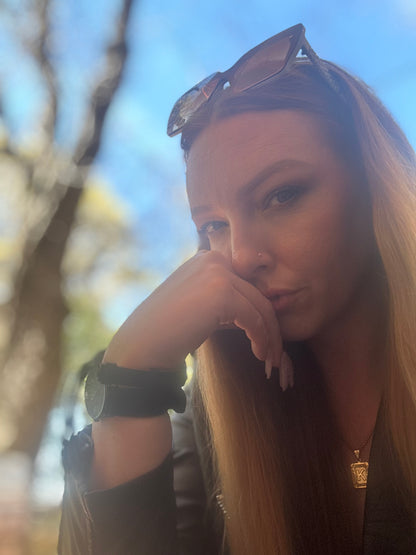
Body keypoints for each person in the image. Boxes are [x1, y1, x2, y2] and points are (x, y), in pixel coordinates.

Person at [58, 24, 416, 555]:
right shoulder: (203, 434)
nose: (241, 256)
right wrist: (131, 375)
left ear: (374, 185)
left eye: (282, 195)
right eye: (213, 226)